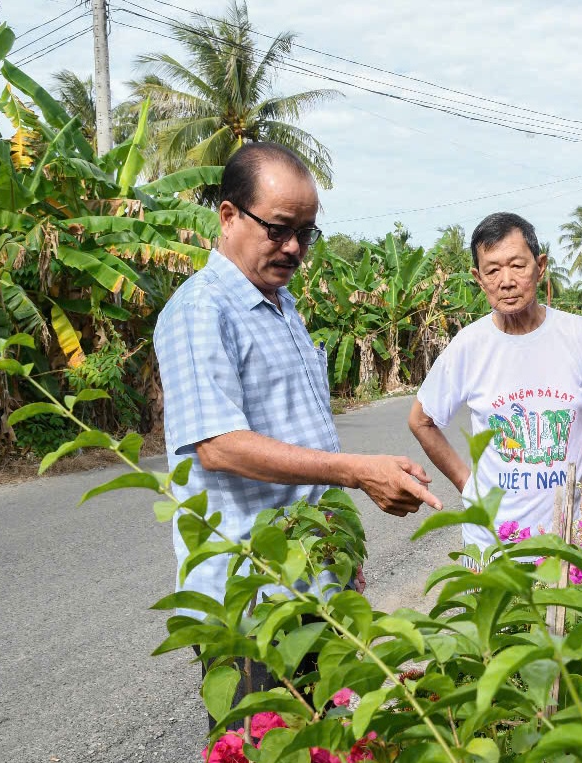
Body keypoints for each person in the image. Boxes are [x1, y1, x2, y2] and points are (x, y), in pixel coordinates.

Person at [154, 142, 441, 720]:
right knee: (263, 744)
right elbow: (218, 445)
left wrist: (341, 547)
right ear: (229, 216)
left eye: (306, 233)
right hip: (253, 599)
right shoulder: (200, 311)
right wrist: (358, 472)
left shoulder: (283, 305)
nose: (294, 248)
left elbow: (307, 440)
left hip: (313, 586)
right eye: (280, 229)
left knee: (323, 741)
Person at [409, 212, 582, 561]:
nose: (506, 281)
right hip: (492, 543)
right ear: (479, 278)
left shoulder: (577, 334)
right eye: (492, 270)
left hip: (569, 535)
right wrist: (469, 487)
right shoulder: (469, 344)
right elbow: (421, 420)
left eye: (517, 266)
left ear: (540, 266)